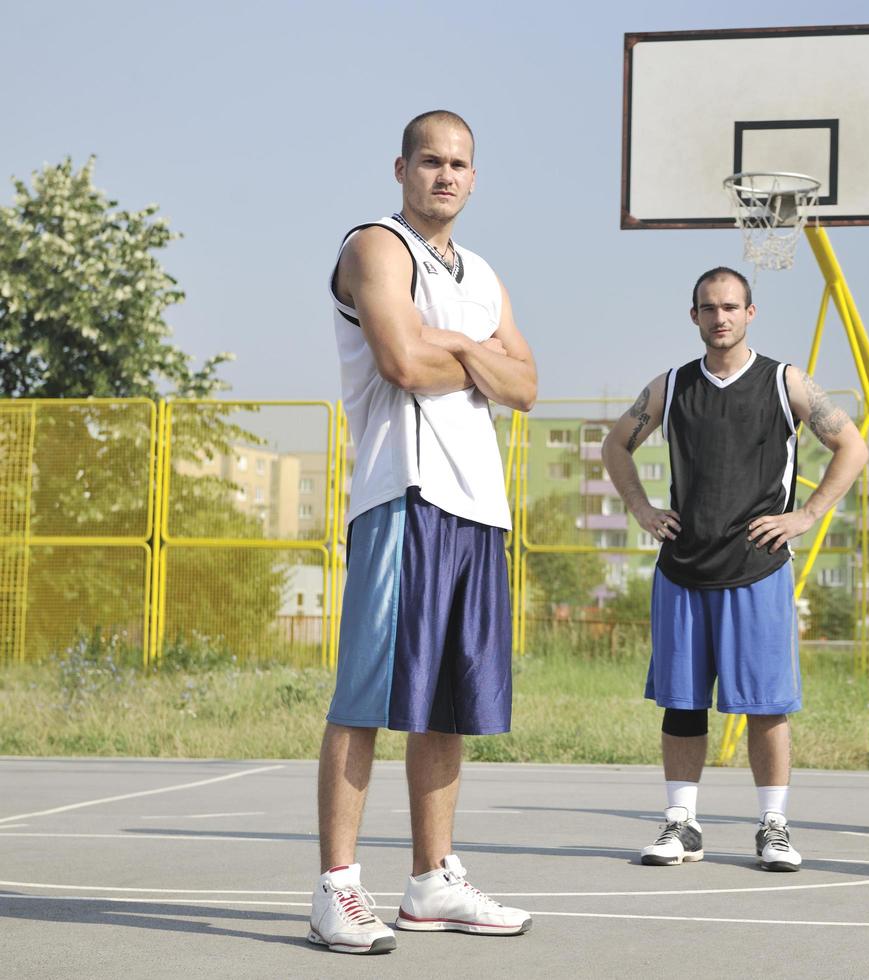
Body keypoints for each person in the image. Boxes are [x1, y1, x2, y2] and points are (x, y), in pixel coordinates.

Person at [311, 110, 538, 954]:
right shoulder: (375, 247)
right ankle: (337, 887)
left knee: (446, 704)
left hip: (477, 506)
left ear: (474, 178)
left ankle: (431, 880)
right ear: (401, 167)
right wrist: (477, 352)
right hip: (400, 495)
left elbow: (528, 385)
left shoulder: (482, 272)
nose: (446, 175)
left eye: (460, 164)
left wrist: (454, 344)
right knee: (367, 697)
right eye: (431, 161)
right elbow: (401, 364)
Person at [601, 266, 868, 872]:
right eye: (708, 308)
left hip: (758, 565)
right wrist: (641, 507)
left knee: (765, 705)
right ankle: (681, 824)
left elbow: (853, 446)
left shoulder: (785, 382)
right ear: (693, 316)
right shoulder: (670, 386)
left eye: (730, 307)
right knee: (683, 703)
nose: (719, 317)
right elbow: (615, 444)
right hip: (683, 566)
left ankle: (773, 826)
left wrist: (808, 514)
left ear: (751, 313)